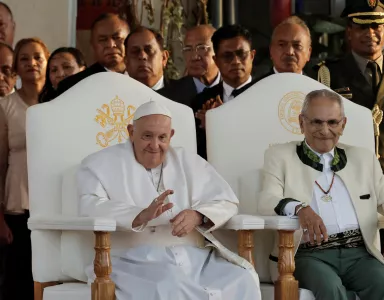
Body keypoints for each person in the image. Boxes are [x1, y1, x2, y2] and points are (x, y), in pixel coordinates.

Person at [77, 101, 261, 300]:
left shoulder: (189, 161)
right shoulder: (99, 164)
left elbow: (227, 201)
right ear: (131, 132)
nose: (155, 145)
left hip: (194, 258)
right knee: (170, 285)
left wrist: (198, 215)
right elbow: (89, 205)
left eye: (162, 137)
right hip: (131, 260)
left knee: (242, 277)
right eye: (147, 136)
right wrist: (139, 215)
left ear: (171, 135)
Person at [258, 89, 384, 300]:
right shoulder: (279, 156)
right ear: (301, 122)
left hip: (359, 254)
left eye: (332, 122)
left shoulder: (362, 158)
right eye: (316, 122)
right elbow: (266, 200)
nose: (325, 130)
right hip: (308, 255)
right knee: (330, 289)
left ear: (343, 124)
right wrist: (300, 209)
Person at [316, 0, 384, 187]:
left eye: (375, 26)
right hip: (346, 183)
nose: (370, 33)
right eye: (362, 27)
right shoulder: (328, 75)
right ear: (349, 32)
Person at [0, 37, 49, 300]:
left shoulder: (57, 105)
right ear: (16, 68)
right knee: (17, 276)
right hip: (18, 203)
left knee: (49, 275)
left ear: (46, 61)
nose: (32, 63)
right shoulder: (5, 106)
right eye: (24, 58)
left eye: (38, 57)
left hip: (52, 203)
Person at [191, 24, 255, 159]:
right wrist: (209, 130)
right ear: (216, 61)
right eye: (227, 56)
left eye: (241, 54)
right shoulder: (201, 102)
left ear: (252, 56)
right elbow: (195, 153)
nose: (236, 61)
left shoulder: (267, 96)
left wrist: (221, 124)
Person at [53, 13, 129, 98]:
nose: (111, 44)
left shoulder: (143, 78)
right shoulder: (73, 86)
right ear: (93, 45)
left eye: (117, 37)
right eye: (103, 40)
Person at [158, 25, 220, 106]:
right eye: (188, 49)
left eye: (202, 48)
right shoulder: (167, 97)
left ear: (219, 51)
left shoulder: (235, 88)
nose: (194, 57)